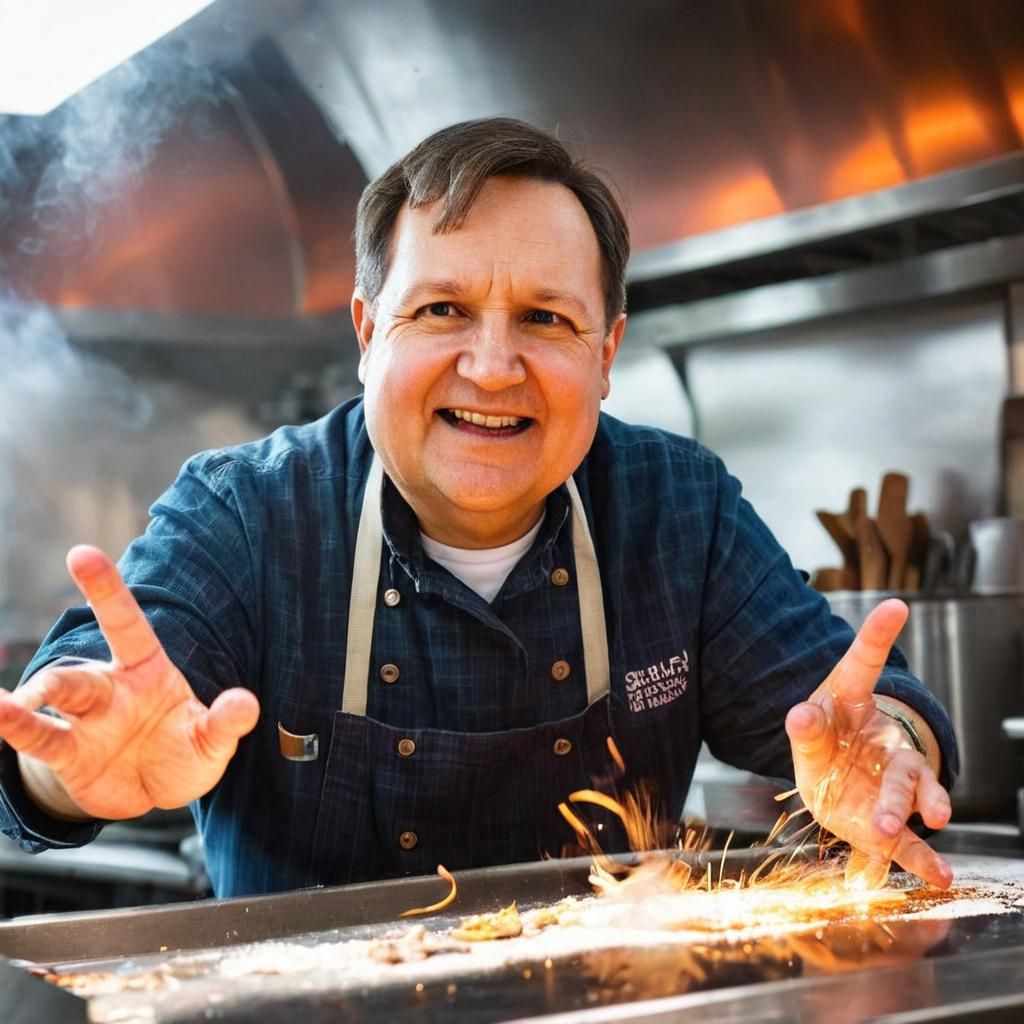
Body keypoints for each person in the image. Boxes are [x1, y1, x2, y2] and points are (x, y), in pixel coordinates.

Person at [0, 117, 957, 899]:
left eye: (546, 318)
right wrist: (63, 767)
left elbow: (856, 715)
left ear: (607, 351)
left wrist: (890, 749)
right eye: (443, 310)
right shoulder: (249, 513)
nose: (493, 369)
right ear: (370, 331)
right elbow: (87, 711)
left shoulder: (679, 509)